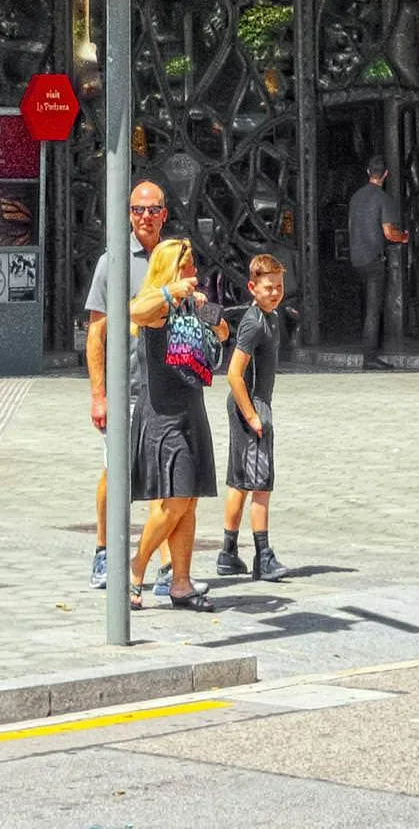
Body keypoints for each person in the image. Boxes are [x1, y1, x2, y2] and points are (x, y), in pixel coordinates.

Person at [81, 172, 172, 591]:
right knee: (114, 471)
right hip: (124, 389)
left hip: (165, 388)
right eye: (138, 210)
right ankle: (104, 551)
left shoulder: (172, 260)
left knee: (163, 478)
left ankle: (162, 564)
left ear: (164, 214)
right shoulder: (112, 260)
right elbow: (96, 333)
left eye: (153, 209)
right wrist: (99, 394)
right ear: (128, 214)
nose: (146, 217)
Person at [127, 230, 218, 609]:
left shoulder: (191, 306)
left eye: (193, 265)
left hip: (191, 409)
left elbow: (219, 335)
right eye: (185, 266)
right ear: (169, 270)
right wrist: (171, 292)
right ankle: (135, 568)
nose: (193, 272)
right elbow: (134, 311)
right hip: (162, 415)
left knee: (189, 501)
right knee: (174, 502)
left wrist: (213, 320)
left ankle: (181, 582)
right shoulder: (157, 306)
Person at [213, 248, 290, 580]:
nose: (274, 293)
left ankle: (228, 553)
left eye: (278, 287)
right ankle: (264, 556)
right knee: (260, 483)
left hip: (253, 404)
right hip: (253, 404)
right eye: (268, 287)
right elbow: (233, 373)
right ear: (252, 288)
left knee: (241, 480)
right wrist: (253, 415)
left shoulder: (268, 317)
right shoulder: (254, 323)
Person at [333, 159, 405, 360]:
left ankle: (369, 344)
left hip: (356, 259)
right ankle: (370, 357)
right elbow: (389, 233)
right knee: (374, 309)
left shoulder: (356, 197)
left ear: (367, 172)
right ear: (386, 174)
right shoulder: (383, 198)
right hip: (374, 259)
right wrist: (405, 237)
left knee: (366, 305)